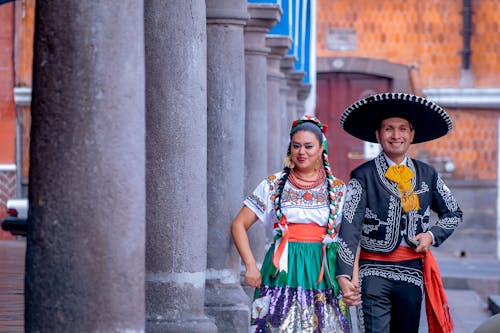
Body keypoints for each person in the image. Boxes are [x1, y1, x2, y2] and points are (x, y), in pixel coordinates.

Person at [335, 92, 463, 333]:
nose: (396, 135)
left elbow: (453, 212)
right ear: (377, 135)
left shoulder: (428, 174)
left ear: (412, 135)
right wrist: (344, 274)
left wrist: (431, 235)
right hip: (372, 272)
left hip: (411, 273)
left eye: (403, 129)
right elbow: (349, 230)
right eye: (389, 129)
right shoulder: (362, 176)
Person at [231, 115, 352, 332]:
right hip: (282, 268)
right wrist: (250, 265)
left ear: (321, 148)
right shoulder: (273, 184)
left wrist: (351, 276)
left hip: (322, 268)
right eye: (296, 146)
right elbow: (238, 224)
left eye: (308, 146)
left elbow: (350, 239)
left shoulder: (338, 189)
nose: (301, 152)